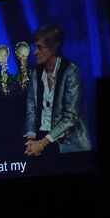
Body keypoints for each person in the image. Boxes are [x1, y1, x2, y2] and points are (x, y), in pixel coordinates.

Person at [24, 23, 91, 156]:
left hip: (67, 141)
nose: (35, 52)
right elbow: (31, 111)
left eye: (39, 48)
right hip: (39, 136)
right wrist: (31, 140)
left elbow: (70, 117)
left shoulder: (71, 72)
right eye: (34, 47)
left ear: (53, 48)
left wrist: (42, 144)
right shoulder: (35, 74)